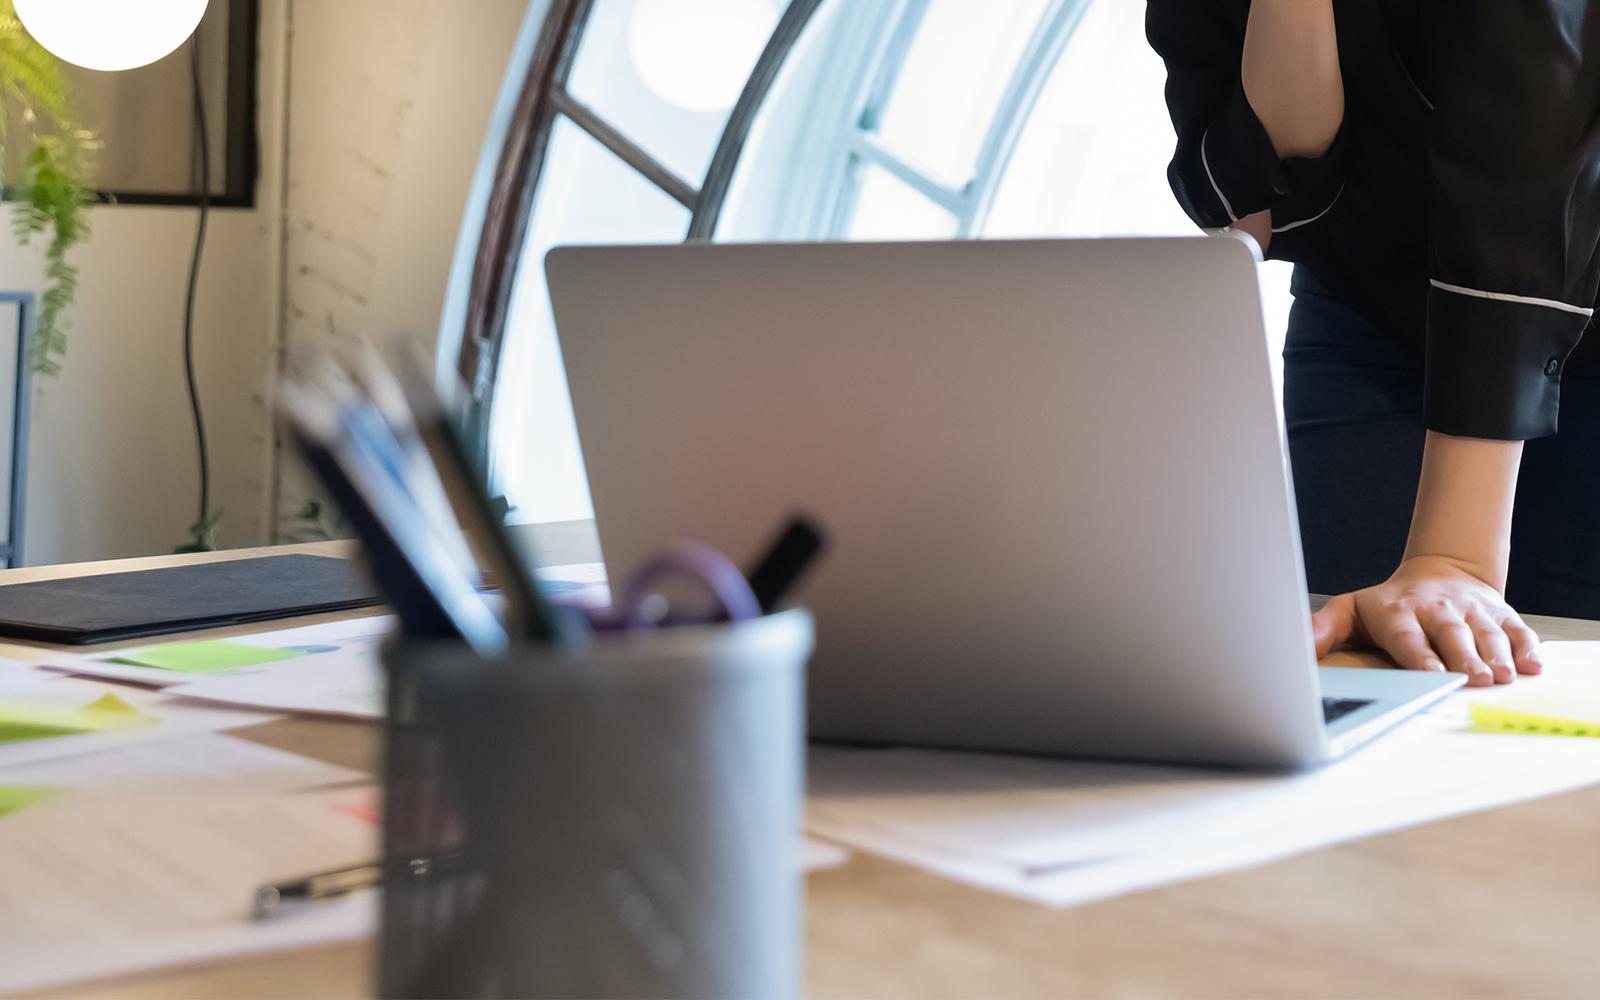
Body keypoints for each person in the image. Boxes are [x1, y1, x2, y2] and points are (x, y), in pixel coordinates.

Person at [1146, 1, 1600, 687]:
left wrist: (1455, 560)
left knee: (1551, 679)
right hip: (1369, 303)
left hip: (1562, 279)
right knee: (1353, 671)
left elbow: (1526, 167)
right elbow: (1262, 204)